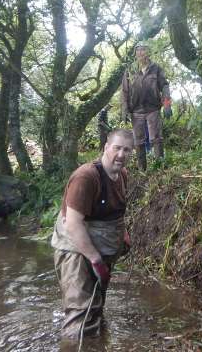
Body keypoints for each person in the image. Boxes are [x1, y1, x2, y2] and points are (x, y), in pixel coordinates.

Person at [51, 129, 132, 340]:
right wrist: (95, 260)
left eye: (127, 150)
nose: (121, 155)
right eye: (117, 148)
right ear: (106, 148)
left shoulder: (122, 175)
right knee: (81, 315)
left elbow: (117, 212)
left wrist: (123, 234)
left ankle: (98, 342)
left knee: (96, 306)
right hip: (75, 250)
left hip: (103, 248)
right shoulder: (86, 177)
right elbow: (73, 224)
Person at [121, 41, 172, 171]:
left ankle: (160, 168)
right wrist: (124, 110)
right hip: (136, 111)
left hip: (153, 109)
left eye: (143, 50)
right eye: (138, 50)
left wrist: (167, 105)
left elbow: (165, 86)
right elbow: (124, 91)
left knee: (156, 138)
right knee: (138, 141)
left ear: (148, 52)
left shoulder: (156, 68)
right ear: (135, 53)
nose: (140, 52)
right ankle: (142, 170)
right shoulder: (130, 70)